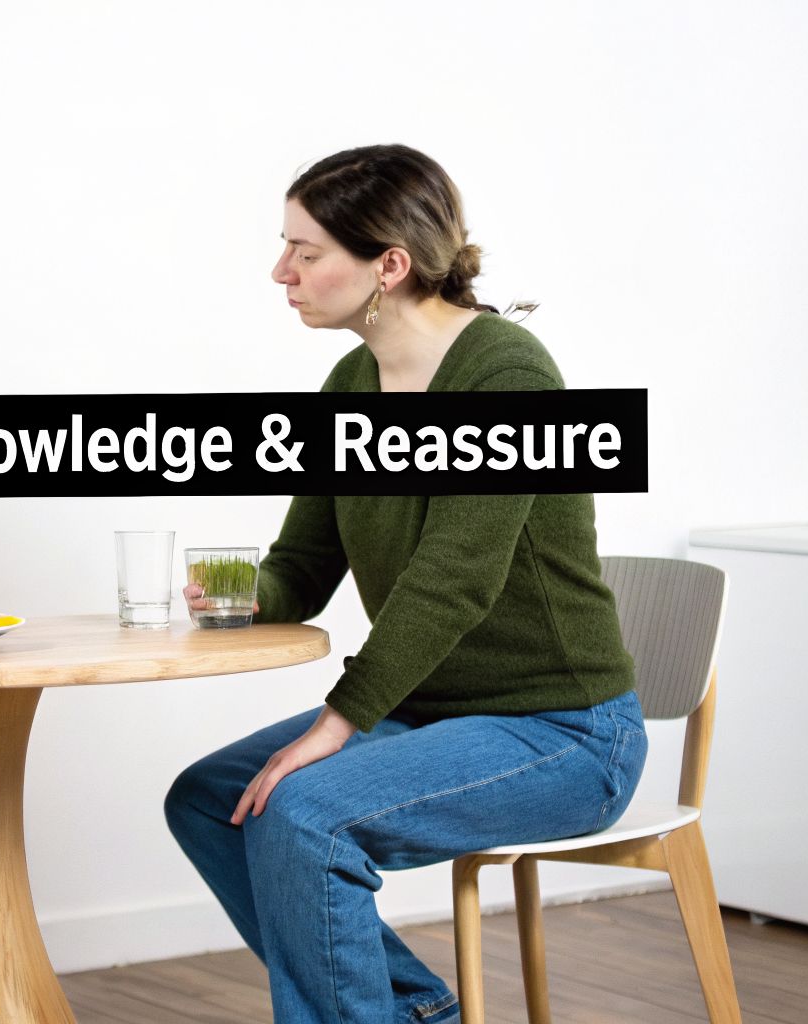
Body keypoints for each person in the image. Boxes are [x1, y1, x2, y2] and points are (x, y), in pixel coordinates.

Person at [163, 144, 648, 1024]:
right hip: (436, 712)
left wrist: (338, 721)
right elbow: (303, 568)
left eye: (306, 253)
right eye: (287, 248)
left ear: (389, 264)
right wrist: (231, 591)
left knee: (305, 814)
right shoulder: (351, 382)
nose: (282, 272)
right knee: (210, 799)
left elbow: (453, 580)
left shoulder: (506, 372)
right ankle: (415, 1012)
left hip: (564, 731)